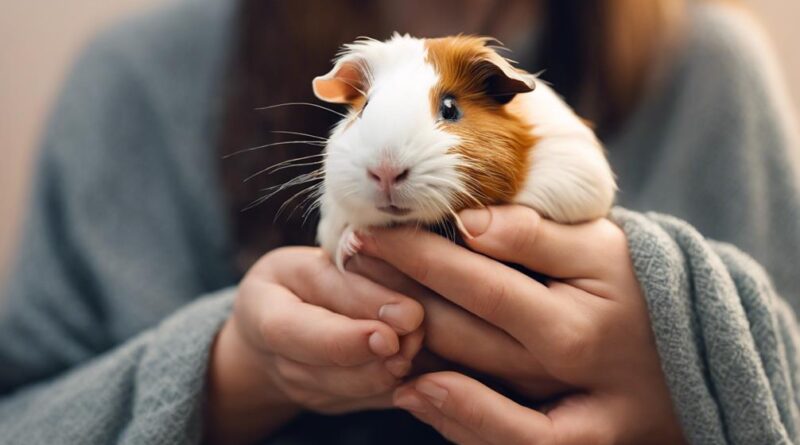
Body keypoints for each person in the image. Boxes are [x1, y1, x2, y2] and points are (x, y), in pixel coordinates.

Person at [1, 0, 799, 444]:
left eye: (447, 112)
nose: (386, 165)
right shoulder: (137, 79)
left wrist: (690, 378)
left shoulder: (705, 74)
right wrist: (232, 370)